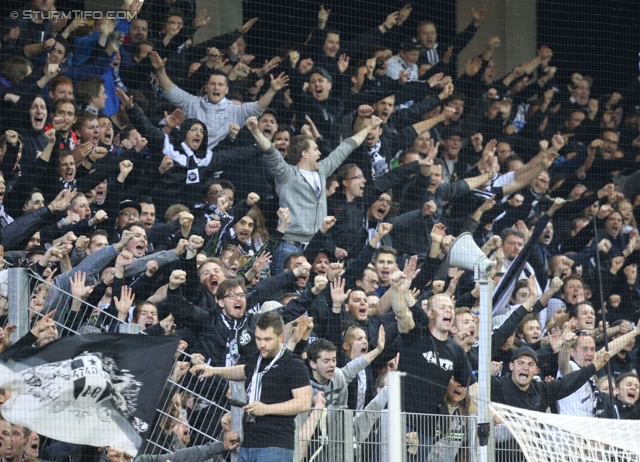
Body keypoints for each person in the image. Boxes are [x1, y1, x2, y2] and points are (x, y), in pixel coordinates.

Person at [246, 114, 384, 275]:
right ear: (304, 153)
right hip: (290, 247)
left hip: (315, 247)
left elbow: (346, 147)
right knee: (284, 291)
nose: (319, 153)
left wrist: (369, 127)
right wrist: (255, 130)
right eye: (316, 149)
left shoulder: (322, 170)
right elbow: (271, 152)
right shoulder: (287, 173)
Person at [190, 311, 312, 462]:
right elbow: (244, 370)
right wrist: (214, 370)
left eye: (267, 339)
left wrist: (266, 409)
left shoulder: (294, 363)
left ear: (281, 337)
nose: (262, 344)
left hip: (275, 445)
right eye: (258, 338)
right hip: (247, 444)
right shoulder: (257, 358)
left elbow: (304, 402)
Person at [149, 51, 288, 150]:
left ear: (226, 90)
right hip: (190, 158)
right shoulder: (192, 103)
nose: (216, 87)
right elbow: (171, 91)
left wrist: (272, 90)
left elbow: (258, 107)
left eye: (220, 85)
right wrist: (160, 70)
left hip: (217, 167)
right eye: (212, 84)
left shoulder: (235, 110)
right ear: (206, 87)